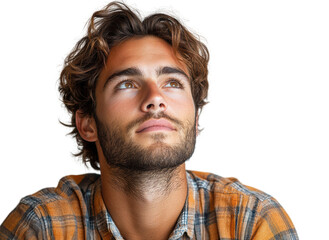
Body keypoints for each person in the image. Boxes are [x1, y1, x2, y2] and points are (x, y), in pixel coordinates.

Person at [0, 2, 298, 239]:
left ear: (195, 118)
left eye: (172, 83)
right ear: (87, 123)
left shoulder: (250, 222)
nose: (155, 98)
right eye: (127, 84)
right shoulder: (43, 227)